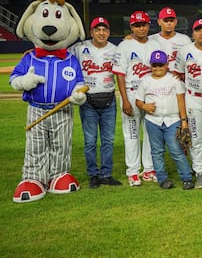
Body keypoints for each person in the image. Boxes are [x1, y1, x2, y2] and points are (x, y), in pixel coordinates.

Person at [68, 17, 121, 187]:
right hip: (88, 101)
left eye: (104, 29)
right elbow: (58, 52)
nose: (101, 33)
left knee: (108, 141)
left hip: (108, 100)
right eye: (97, 29)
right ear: (91, 32)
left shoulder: (115, 50)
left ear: (109, 32)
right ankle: (93, 175)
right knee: (90, 141)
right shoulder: (80, 48)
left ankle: (106, 174)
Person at [112, 10, 162, 185]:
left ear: (149, 26)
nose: (141, 28)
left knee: (150, 134)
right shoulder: (124, 46)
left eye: (143, 25)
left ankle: (148, 169)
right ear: (131, 27)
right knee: (131, 134)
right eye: (137, 25)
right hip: (132, 93)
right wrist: (125, 99)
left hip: (150, 95)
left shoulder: (155, 45)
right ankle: (132, 171)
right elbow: (119, 74)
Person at [134, 50, 194, 190]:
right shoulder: (146, 81)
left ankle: (186, 177)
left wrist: (184, 120)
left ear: (167, 65)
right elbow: (138, 100)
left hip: (172, 119)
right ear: (150, 66)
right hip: (153, 121)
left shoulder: (174, 80)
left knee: (175, 149)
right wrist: (144, 106)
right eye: (155, 65)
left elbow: (180, 100)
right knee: (156, 151)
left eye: (160, 65)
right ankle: (162, 178)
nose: (157, 68)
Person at [171, 18, 202, 188]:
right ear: (193, 33)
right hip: (194, 98)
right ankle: (200, 173)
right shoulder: (185, 51)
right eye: (197, 30)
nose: (201, 33)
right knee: (196, 138)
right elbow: (179, 74)